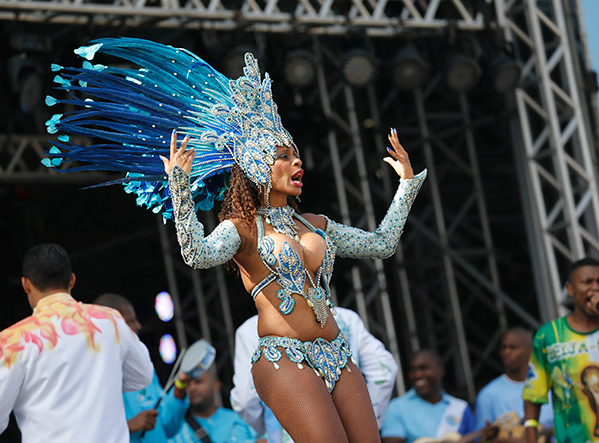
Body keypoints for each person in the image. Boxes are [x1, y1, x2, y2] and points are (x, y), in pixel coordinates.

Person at [44, 37, 426, 442]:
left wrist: (405, 186)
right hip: (285, 358)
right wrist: (180, 187)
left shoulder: (316, 224)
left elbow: (382, 244)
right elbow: (197, 254)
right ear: (257, 164)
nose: (297, 162)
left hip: (336, 352)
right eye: (283, 156)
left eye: (296, 154)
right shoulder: (242, 229)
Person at [0, 244, 154, 442]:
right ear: (71, 280)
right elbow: (143, 376)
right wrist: (101, 382)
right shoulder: (111, 320)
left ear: (26, 284)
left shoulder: (17, 340)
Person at [231, 308, 398, 441]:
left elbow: (245, 399)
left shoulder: (251, 330)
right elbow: (384, 372)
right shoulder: (346, 318)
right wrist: (367, 424)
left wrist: (265, 431)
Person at [94, 293, 189, 442]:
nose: (138, 326)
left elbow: (168, 427)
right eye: (130, 322)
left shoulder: (142, 367)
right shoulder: (92, 376)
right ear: (110, 327)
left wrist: (179, 388)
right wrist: (128, 426)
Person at [523, 257, 599, 443]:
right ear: (570, 289)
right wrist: (531, 433)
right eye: (587, 282)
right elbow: (534, 393)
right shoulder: (549, 335)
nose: (595, 288)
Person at [474, 328, 554, 442]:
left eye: (513, 347)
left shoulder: (552, 385)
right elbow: (479, 438)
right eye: (503, 348)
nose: (507, 352)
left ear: (530, 350)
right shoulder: (488, 394)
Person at [381, 349, 474, 443]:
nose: (417, 375)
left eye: (423, 368)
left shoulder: (461, 407)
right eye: (413, 370)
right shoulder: (396, 407)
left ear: (440, 370)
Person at [168, 365, 256, 443]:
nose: (192, 388)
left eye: (198, 381)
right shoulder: (175, 430)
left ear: (215, 385)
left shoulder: (240, 420)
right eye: (188, 384)